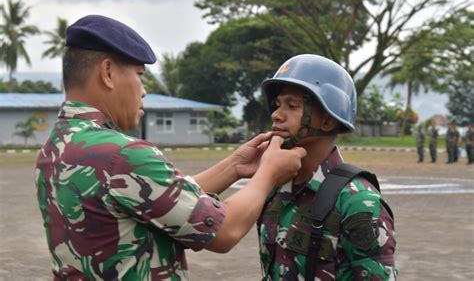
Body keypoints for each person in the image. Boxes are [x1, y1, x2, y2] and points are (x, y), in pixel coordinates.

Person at [35, 15, 306, 280]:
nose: (143, 91)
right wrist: (268, 173)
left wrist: (234, 167)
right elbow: (225, 232)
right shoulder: (122, 155)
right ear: (107, 73)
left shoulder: (55, 147)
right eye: (139, 75)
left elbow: (156, 198)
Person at [257, 54, 397, 280]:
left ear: (327, 121)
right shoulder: (274, 189)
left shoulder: (357, 202)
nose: (276, 115)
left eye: (292, 106)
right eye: (277, 104)